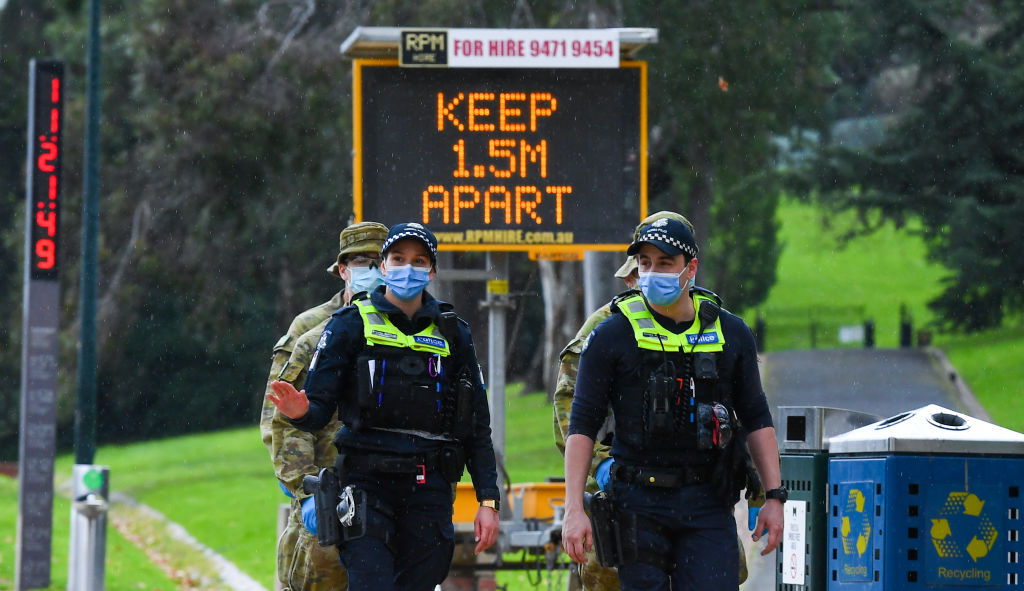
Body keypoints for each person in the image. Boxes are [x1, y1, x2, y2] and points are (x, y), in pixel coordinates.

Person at [267, 222, 501, 591]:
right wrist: (306, 488)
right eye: (380, 261)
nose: (397, 270)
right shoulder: (322, 330)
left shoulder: (452, 332)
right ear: (343, 269)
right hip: (349, 489)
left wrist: (488, 498)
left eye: (418, 261)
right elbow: (291, 421)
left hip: (428, 490)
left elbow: (474, 423)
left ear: (432, 268)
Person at [561, 216, 785, 590]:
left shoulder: (730, 333)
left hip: (708, 500)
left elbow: (757, 420)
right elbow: (580, 423)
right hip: (636, 501)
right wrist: (573, 509)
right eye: (645, 263)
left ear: (690, 268)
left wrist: (773, 496)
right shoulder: (610, 334)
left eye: (665, 263)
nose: (652, 273)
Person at [261, 221, 389, 591]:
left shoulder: (409, 328)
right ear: (344, 270)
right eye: (361, 263)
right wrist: (306, 488)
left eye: (379, 263)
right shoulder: (311, 329)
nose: (371, 272)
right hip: (326, 493)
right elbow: (280, 418)